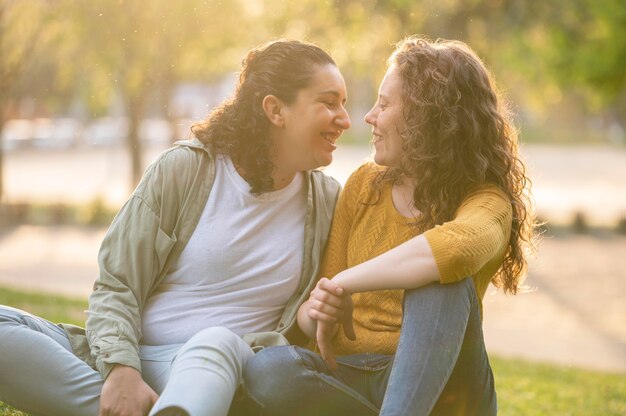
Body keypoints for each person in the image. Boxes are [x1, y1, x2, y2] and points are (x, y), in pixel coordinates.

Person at [0, 39, 350, 416]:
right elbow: (118, 284)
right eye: (329, 103)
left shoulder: (327, 202)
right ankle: (156, 407)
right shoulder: (185, 171)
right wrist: (122, 369)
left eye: (343, 105)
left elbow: (320, 313)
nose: (345, 119)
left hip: (219, 368)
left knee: (216, 340)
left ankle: (160, 406)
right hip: (132, 357)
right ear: (275, 109)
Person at [243, 35, 537, 415]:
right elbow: (322, 311)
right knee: (267, 369)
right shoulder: (363, 185)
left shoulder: (487, 202)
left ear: (428, 117)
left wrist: (347, 282)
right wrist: (319, 308)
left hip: (449, 389)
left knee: (439, 283)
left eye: (383, 104)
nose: (368, 117)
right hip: (355, 375)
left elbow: (454, 250)